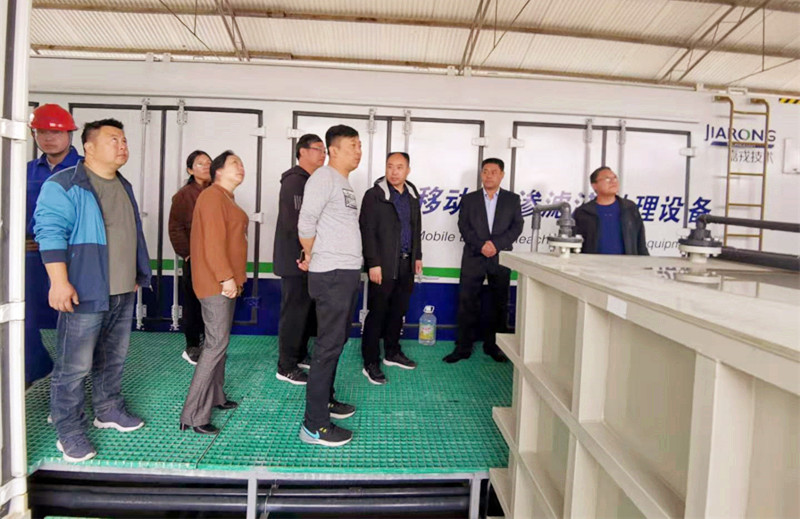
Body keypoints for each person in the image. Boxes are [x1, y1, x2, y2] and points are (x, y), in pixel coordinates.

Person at [34, 118, 152, 462]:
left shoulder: (123, 184)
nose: (122, 145)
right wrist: (59, 281)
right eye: (114, 139)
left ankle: (108, 409)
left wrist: (135, 272)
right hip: (84, 289)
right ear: (88, 147)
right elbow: (50, 232)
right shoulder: (65, 184)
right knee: (74, 366)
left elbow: (127, 232)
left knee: (112, 358)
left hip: (121, 290)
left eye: (124, 140)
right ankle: (69, 430)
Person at [296, 125, 362, 447]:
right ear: (333, 150)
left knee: (336, 342)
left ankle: (327, 400)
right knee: (327, 346)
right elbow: (306, 223)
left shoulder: (342, 182)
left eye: (360, 146)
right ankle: (314, 425)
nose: (358, 151)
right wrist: (312, 254)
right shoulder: (323, 177)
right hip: (332, 273)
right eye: (352, 146)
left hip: (344, 272)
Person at [179, 151, 248, 435]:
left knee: (219, 341)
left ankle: (216, 396)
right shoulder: (212, 197)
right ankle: (193, 415)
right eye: (234, 164)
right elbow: (213, 243)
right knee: (215, 344)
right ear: (218, 171)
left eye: (241, 163)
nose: (241, 167)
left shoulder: (225, 198)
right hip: (216, 283)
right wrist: (225, 277)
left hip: (225, 282)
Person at [444, 158, 523, 364]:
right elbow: (463, 226)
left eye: (493, 172)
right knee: (467, 302)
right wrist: (481, 245)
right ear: (481, 174)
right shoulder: (469, 199)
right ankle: (463, 347)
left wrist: (496, 245)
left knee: (499, 303)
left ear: (502, 175)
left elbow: (517, 227)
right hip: (473, 255)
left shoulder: (512, 200)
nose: (489, 176)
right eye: (485, 171)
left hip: (500, 256)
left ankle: (495, 346)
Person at [25, 104, 83, 386]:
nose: (48, 138)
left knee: (77, 320)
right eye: (42, 132)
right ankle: (36, 367)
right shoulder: (25, 171)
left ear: (70, 135)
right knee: (24, 315)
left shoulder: (85, 169)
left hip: (75, 255)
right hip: (31, 256)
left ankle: (73, 382)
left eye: (56, 132)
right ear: (33, 134)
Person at [359, 152, 423, 385]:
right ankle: (370, 362)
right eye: (390, 166)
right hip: (383, 265)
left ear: (408, 170)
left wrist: (417, 256)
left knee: (398, 311)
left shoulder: (412, 195)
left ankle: (392, 352)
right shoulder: (374, 195)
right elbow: (367, 231)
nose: (394, 172)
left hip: (406, 264)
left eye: (399, 167)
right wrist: (373, 263)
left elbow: (415, 228)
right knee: (377, 313)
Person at [273, 134, 325, 385]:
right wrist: (306, 253)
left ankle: (300, 353)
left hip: (308, 259)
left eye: (324, 150)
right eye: (318, 149)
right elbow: (296, 223)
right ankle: (286, 366)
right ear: (302, 152)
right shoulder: (295, 181)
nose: (323, 154)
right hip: (296, 260)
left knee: (305, 311)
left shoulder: (312, 180)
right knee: (293, 313)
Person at [168, 150, 212, 365]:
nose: (206, 166)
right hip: (194, 258)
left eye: (209, 162)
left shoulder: (217, 192)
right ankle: (192, 346)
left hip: (215, 259)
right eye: (200, 163)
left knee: (212, 303)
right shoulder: (184, 195)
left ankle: (209, 345)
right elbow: (175, 228)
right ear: (190, 170)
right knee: (193, 303)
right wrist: (187, 254)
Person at [573, 166, 649, 255]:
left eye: (615, 178)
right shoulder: (583, 212)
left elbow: (640, 243)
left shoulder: (629, 208)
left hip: (627, 262)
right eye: (607, 179)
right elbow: (575, 245)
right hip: (593, 263)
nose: (613, 182)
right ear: (594, 185)